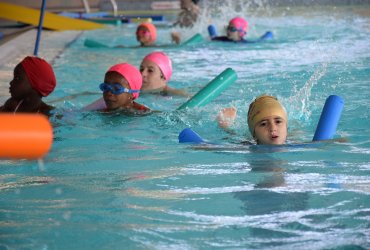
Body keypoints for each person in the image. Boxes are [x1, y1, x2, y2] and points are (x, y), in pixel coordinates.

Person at [217, 95, 288, 145]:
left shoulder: (296, 143)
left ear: (286, 127)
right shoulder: (247, 146)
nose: (273, 128)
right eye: (263, 124)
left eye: (278, 121)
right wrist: (224, 126)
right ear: (254, 134)